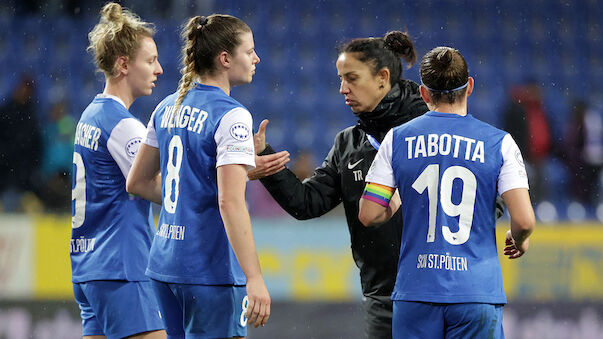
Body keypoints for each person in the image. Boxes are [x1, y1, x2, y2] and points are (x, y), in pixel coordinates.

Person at [249, 31, 429, 338]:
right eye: (340, 78)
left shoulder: (432, 132)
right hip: (382, 296)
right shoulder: (348, 144)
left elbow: (483, 199)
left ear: (382, 77)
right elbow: (307, 202)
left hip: (438, 292)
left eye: (352, 78)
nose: (342, 88)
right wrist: (266, 161)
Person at [358, 46, 535, 338]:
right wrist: (518, 240)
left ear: (424, 93)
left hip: (416, 291)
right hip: (475, 293)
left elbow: (369, 213)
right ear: (470, 86)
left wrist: (403, 196)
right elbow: (525, 221)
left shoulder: (397, 139)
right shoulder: (499, 143)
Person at [126, 14, 270, 338]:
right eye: (250, 52)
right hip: (210, 273)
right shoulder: (231, 114)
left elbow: (136, 182)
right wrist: (255, 277)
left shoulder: (165, 108)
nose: (256, 59)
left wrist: (236, 167)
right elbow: (229, 202)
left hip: (164, 268)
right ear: (225, 59)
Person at [70, 3, 165, 339]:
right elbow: (157, 189)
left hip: (88, 268)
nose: (160, 70)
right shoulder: (123, 125)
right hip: (122, 267)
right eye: (151, 60)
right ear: (124, 64)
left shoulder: (89, 116)